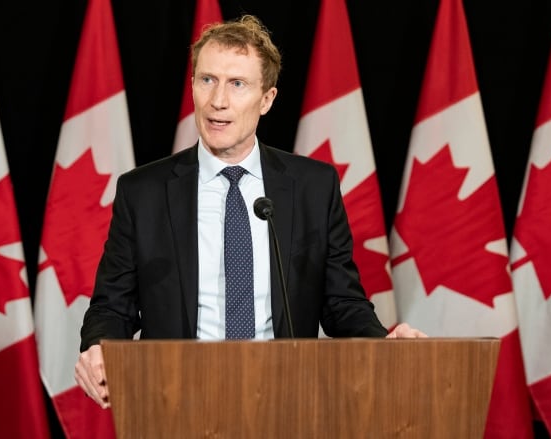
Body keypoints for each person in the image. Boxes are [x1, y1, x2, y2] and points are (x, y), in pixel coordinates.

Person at [75, 15, 426, 409]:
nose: (217, 100)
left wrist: (383, 344)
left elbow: (341, 302)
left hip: (286, 401)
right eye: (207, 80)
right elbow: (112, 305)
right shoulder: (143, 192)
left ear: (267, 99)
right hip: (176, 400)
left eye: (237, 84)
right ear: (192, 86)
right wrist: (97, 348)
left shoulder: (312, 187)